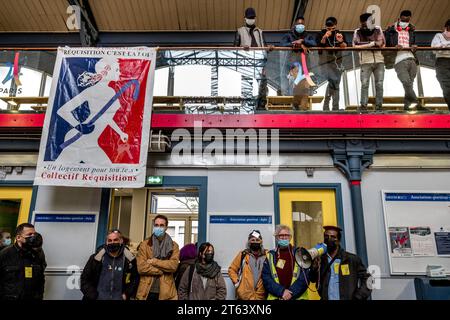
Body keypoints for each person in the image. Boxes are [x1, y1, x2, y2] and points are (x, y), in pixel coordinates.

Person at [309, 226, 372, 300]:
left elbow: (369, 279)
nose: (329, 239)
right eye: (326, 236)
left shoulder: (351, 259)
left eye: (333, 237)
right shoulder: (321, 260)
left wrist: (358, 296)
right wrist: (314, 267)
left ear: (338, 240)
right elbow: (312, 279)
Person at [385, 10, 429, 112]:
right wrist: (394, 46)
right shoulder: (390, 30)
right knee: (406, 82)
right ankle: (417, 104)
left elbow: (413, 43)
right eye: (404, 20)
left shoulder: (411, 30)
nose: (406, 22)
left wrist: (414, 46)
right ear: (399, 19)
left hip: (412, 58)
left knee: (409, 83)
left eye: (408, 20)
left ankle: (407, 105)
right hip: (398, 59)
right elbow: (386, 45)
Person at [80, 229, 139, 300]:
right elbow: (84, 279)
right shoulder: (97, 258)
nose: (112, 242)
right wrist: (93, 295)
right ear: (106, 242)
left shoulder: (129, 259)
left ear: (121, 241)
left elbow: (135, 279)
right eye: (110, 240)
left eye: (115, 240)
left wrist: (126, 294)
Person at [135, 214, 179, 300]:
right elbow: (141, 267)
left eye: (162, 225)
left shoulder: (174, 246)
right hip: (146, 291)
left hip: (166, 292)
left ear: (166, 227)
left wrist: (154, 261)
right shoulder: (145, 244)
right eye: (156, 225)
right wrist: (160, 271)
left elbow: (173, 266)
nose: (159, 227)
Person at [262, 225, 309, 300]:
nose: (284, 237)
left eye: (286, 235)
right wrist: (282, 291)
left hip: (297, 297)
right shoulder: (270, 255)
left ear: (290, 237)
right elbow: (266, 278)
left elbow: (305, 277)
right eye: (281, 235)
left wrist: (291, 293)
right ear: (277, 237)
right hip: (277, 297)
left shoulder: (299, 253)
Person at [0, 223, 46, 300]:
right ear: (18, 237)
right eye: (30, 234)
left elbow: (41, 279)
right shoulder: (5, 254)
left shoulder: (38, 253)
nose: (33, 237)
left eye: (34, 234)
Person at [353, 13, 386, 112]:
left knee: (379, 84)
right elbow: (355, 46)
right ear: (362, 22)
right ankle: (363, 106)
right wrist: (372, 44)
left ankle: (379, 106)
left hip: (379, 60)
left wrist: (366, 45)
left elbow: (383, 43)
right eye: (365, 22)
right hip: (365, 62)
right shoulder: (357, 31)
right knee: (364, 84)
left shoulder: (377, 29)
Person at [317, 17, 347, 111]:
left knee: (335, 83)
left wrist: (340, 41)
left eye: (332, 28)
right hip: (325, 62)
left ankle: (328, 105)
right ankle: (334, 107)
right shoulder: (321, 33)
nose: (330, 29)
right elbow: (319, 47)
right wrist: (325, 37)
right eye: (328, 27)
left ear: (335, 26)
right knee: (334, 82)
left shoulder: (339, 33)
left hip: (338, 62)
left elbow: (345, 46)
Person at [228, 230, 268, 300]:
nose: (255, 242)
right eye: (252, 240)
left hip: (261, 295)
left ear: (261, 242)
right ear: (249, 242)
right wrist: (237, 283)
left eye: (257, 240)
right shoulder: (243, 255)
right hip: (244, 296)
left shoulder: (267, 255)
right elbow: (232, 269)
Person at [431, 19, 450, 110]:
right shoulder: (438, 35)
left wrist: (444, 46)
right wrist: (443, 47)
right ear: (445, 28)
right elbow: (435, 49)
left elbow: (441, 47)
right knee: (446, 87)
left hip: (443, 59)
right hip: (442, 62)